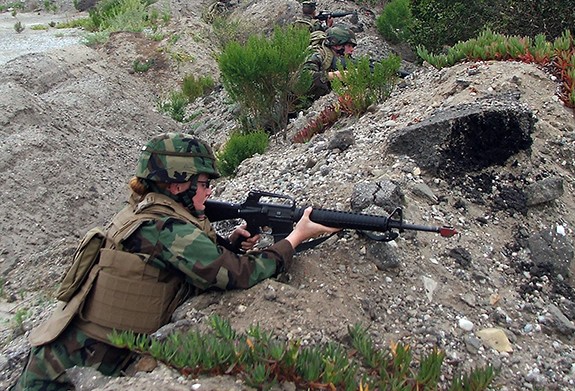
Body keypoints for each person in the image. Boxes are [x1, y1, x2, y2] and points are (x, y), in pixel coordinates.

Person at [11, 132, 340, 390]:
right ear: (177, 182)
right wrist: (294, 239)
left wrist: (229, 243)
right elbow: (238, 275)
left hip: (65, 353)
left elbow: (177, 262)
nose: (210, 191)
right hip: (69, 367)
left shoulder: (144, 212)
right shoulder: (165, 228)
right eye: (204, 183)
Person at [301, 25, 357, 105]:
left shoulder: (340, 59)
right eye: (349, 46)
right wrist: (333, 76)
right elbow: (303, 76)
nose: (352, 49)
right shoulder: (318, 54)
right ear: (337, 45)